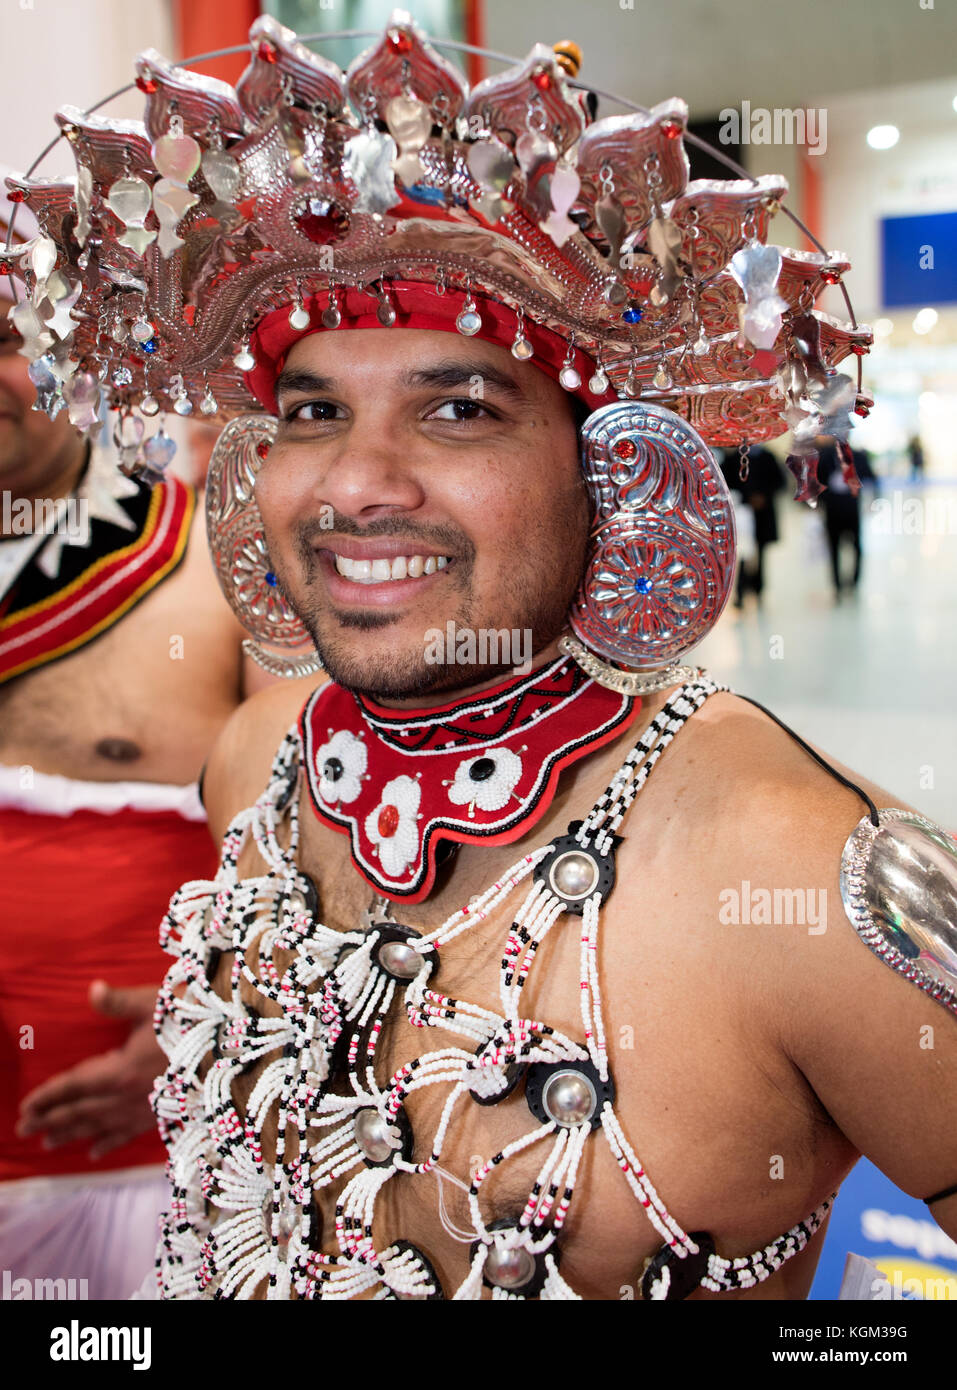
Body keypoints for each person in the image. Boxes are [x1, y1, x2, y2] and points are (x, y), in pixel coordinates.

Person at [13, 16, 956, 1302]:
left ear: (614, 464)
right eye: (313, 412)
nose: (356, 484)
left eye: (459, 406)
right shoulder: (252, 773)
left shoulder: (812, 875)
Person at [0, 191, 268, 1298]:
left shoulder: (228, 566)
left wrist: (215, 1024)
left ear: (75, 344)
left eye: (5, 341)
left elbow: (324, 857)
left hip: (157, 1188)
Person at [719, 446, 785, 607]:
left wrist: (763, 496)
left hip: (763, 513)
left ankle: (759, 589)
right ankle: (741, 592)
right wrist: (746, 497)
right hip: (743, 512)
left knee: (761, 553)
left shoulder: (767, 456)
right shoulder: (733, 458)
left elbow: (779, 481)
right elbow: (723, 483)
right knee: (742, 553)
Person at [816, 435, 877, 598]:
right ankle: (837, 583)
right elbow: (817, 481)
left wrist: (873, 500)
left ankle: (855, 581)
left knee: (856, 546)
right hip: (832, 508)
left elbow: (871, 477)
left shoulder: (857, 456)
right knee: (833, 547)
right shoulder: (825, 456)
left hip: (851, 507)